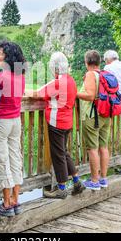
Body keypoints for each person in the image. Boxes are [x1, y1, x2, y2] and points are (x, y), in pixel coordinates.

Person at [26, 52, 85, 199]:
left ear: (55, 68)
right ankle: (77, 182)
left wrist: (20, 90)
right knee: (64, 152)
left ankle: (61, 189)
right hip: (67, 122)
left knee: (58, 155)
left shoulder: (58, 82)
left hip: (56, 123)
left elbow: (36, 93)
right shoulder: (71, 81)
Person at [0, 41, 26, 216]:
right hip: (15, 120)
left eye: (0, 53)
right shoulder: (20, 76)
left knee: (2, 159)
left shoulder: (0, 77)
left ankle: (6, 204)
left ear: (8, 57)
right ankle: (15, 200)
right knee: (15, 158)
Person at [77, 50, 110, 190]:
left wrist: (75, 93)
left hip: (92, 116)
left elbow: (90, 96)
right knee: (103, 147)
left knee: (92, 149)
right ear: (99, 62)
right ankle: (103, 179)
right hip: (105, 114)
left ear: (86, 62)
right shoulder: (103, 74)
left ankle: (94, 181)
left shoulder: (91, 74)